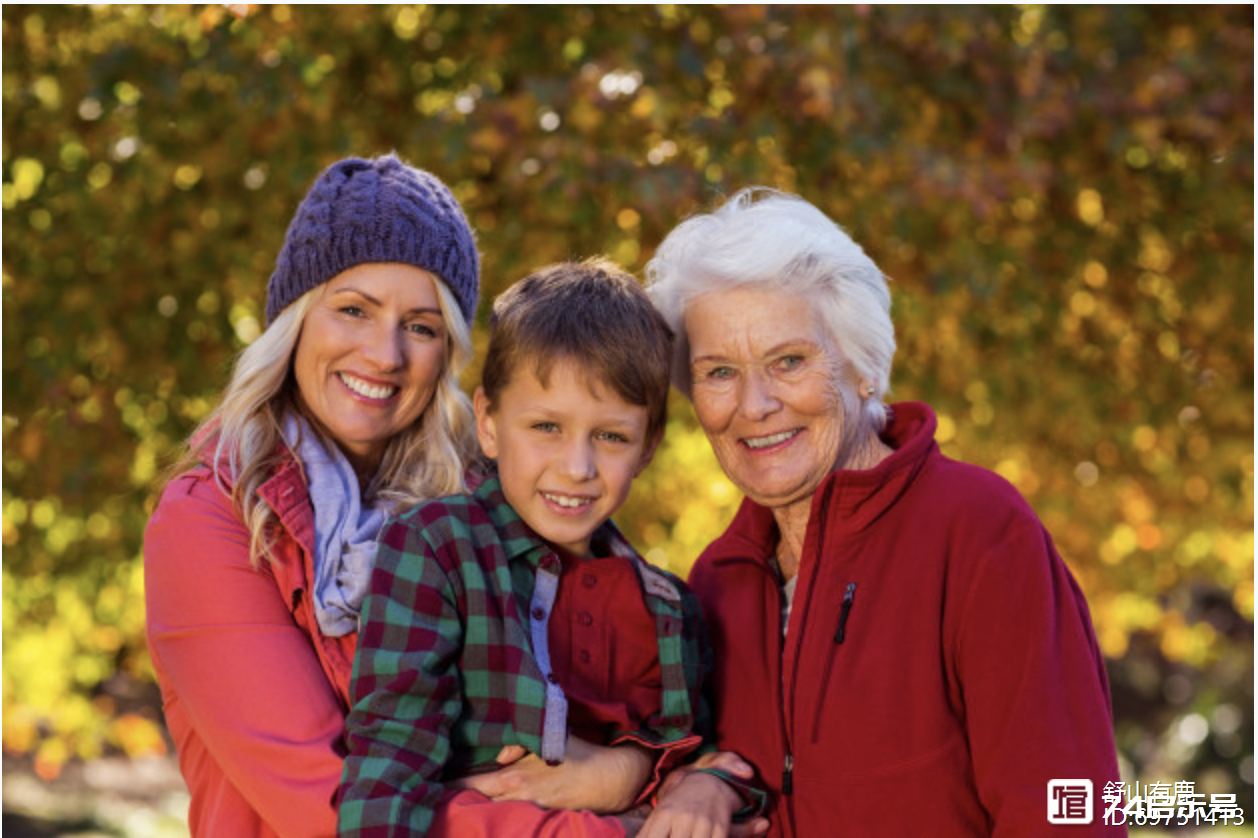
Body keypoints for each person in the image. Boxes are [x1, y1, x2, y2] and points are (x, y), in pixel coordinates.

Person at [145, 156, 652, 837]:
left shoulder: (497, 501)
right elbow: (335, 808)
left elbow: (637, 692)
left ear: (449, 352)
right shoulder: (210, 521)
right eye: (353, 309)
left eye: (421, 325)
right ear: (296, 320)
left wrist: (637, 774)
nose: (385, 354)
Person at [644, 189, 1125, 837]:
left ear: (862, 366)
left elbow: (1064, 811)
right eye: (719, 372)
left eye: (789, 361)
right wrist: (702, 780)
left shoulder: (977, 530)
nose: (754, 404)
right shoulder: (713, 584)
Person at [338, 260, 766, 838]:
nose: (577, 467)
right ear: (488, 421)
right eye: (546, 427)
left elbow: (710, 762)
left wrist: (688, 781)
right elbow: (391, 758)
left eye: (611, 436)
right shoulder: (437, 548)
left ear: (647, 448)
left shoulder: (672, 610)